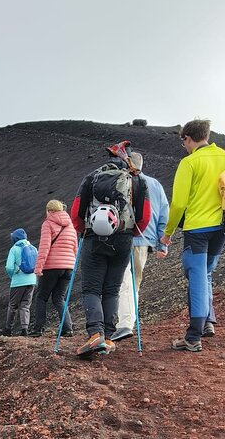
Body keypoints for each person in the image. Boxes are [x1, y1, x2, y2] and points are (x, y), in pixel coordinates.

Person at [70, 140, 150, 356]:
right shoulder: (138, 181)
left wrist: (83, 231)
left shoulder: (92, 176)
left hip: (93, 237)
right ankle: (106, 336)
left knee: (91, 288)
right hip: (123, 238)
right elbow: (144, 217)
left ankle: (95, 334)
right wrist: (129, 233)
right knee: (112, 288)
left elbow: (77, 212)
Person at [161, 119, 225, 352]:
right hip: (223, 227)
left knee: (197, 276)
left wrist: (168, 233)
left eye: (184, 142)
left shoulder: (190, 162)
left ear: (187, 138)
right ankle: (208, 323)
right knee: (207, 273)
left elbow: (179, 203)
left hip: (198, 229)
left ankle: (193, 337)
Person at [112, 153, 169, 342]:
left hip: (124, 238)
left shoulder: (123, 182)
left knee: (124, 281)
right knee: (134, 281)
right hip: (145, 241)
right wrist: (162, 244)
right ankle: (128, 321)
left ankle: (125, 324)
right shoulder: (155, 185)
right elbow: (163, 215)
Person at [29, 200, 77, 338]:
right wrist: (72, 265)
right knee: (59, 298)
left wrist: (38, 268)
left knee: (41, 297)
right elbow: (75, 248)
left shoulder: (48, 223)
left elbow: (44, 247)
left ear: (49, 211)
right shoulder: (71, 225)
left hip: (52, 267)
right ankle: (68, 329)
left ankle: (38, 329)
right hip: (68, 267)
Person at [4, 229, 38, 336]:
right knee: (25, 305)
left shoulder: (14, 249)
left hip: (18, 282)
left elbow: (9, 267)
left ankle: (8, 329)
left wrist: (13, 276)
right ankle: (25, 329)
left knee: (13, 305)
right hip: (32, 281)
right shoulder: (33, 248)